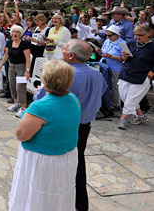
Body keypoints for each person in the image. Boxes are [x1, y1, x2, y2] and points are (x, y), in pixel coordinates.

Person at [34, 40, 107, 210]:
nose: (62, 51)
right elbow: (102, 92)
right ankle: (80, 204)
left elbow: (43, 99)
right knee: (77, 162)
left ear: (71, 55)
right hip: (84, 125)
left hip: (63, 126)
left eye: (64, 49)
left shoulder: (65, 74)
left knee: (57, 164)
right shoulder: (97, 74)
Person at [9, 60, 81, 211]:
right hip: (66, 157)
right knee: (59, 193)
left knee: (38, 195)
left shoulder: (41, 106)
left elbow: (22, 134)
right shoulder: (73, 99)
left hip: (44, 160)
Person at [117, 24, 154, 130]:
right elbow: (123, 58)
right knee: (124, 96)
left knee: (131, 99)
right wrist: (123, 57)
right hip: (126, 73)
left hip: (141, 76)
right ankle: (141, 116)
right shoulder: (131, 43)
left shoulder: (152, 47)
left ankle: (122, 120)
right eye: (136, 35)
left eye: (141, 35)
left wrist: (151, 74)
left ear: (148, 34)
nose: (138, 37)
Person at [0, 25, 31, 118]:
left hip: (21, 67)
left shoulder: (24, 44)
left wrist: (27, 71)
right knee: (12, 85)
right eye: (14, 32)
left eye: (17, 32)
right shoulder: (10, 42)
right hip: (11, 66)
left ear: (21, 34)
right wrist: (0, 65)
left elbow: (28, 58)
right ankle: (16, 104)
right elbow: (6, 55)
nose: (15, 34)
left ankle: (23, 107)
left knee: (20, 87)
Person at [98, 25, 125, 110]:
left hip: (115, 67)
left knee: (114, 86)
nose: (108, 37)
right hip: (104, 65)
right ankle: (106, 102)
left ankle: (115, 104)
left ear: (116, 34)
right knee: (104, 84)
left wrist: (112, 57)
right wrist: (99, 52)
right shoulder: (107, 41)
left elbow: (124, 58)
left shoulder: (123, 44)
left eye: (110, 35)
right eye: (107, 35)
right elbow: (103, 53)